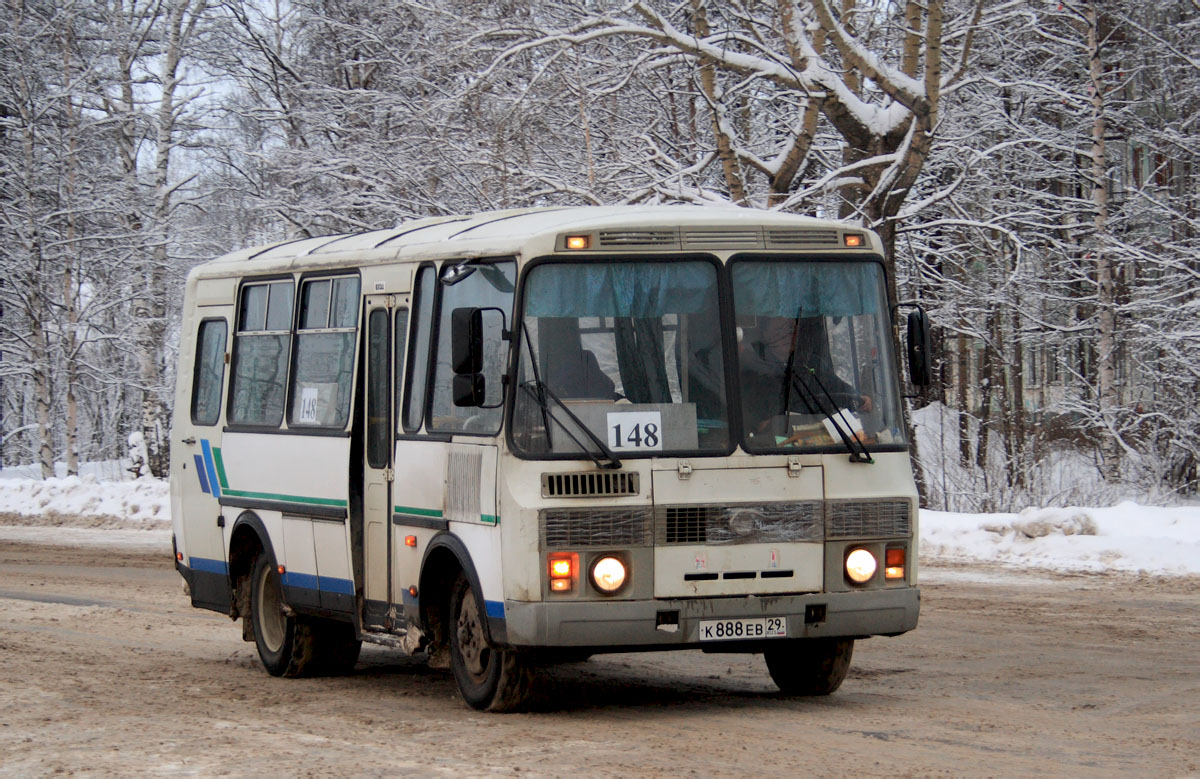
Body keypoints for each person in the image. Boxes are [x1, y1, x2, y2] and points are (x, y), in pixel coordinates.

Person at [739, 316, 871, 436]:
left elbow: (835, 387)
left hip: (815, 440)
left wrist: (859, 399)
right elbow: (751, 422)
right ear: (764, 334)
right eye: (780, 331)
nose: (788, 334)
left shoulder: (810, 363)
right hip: (771, 448)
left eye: (791, 329)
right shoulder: (750, 370)